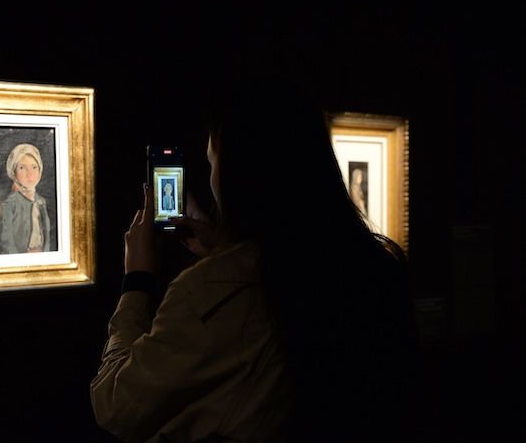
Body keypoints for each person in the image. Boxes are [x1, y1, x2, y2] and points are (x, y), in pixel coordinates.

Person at [90, 80, 419, 442]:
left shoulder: (208, 291)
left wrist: (137, 281)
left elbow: (115, 404)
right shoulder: (375, 268)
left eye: (213, 161)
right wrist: (226, 252)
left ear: (236, 175)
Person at [0, 143, 52, 254]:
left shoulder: (41, 202)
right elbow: (7, 242)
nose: (30, 174)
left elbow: (46, 237)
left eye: (34, 167)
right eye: (22, 168)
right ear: (13, 172)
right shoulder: (9, 204)